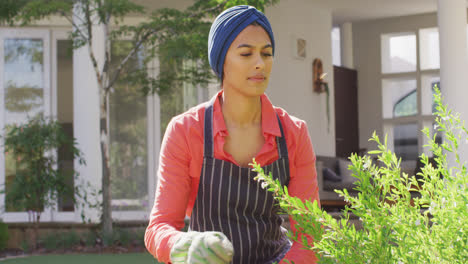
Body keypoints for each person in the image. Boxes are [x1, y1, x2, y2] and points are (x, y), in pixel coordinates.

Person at [145, 5, 320, 264]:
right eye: (246, 53)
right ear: (221, 61)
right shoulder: (185, 131)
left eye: (267, 53)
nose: (260, 63)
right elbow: (159, 227)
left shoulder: (294, 134)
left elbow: (310, 235)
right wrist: (185, 244)